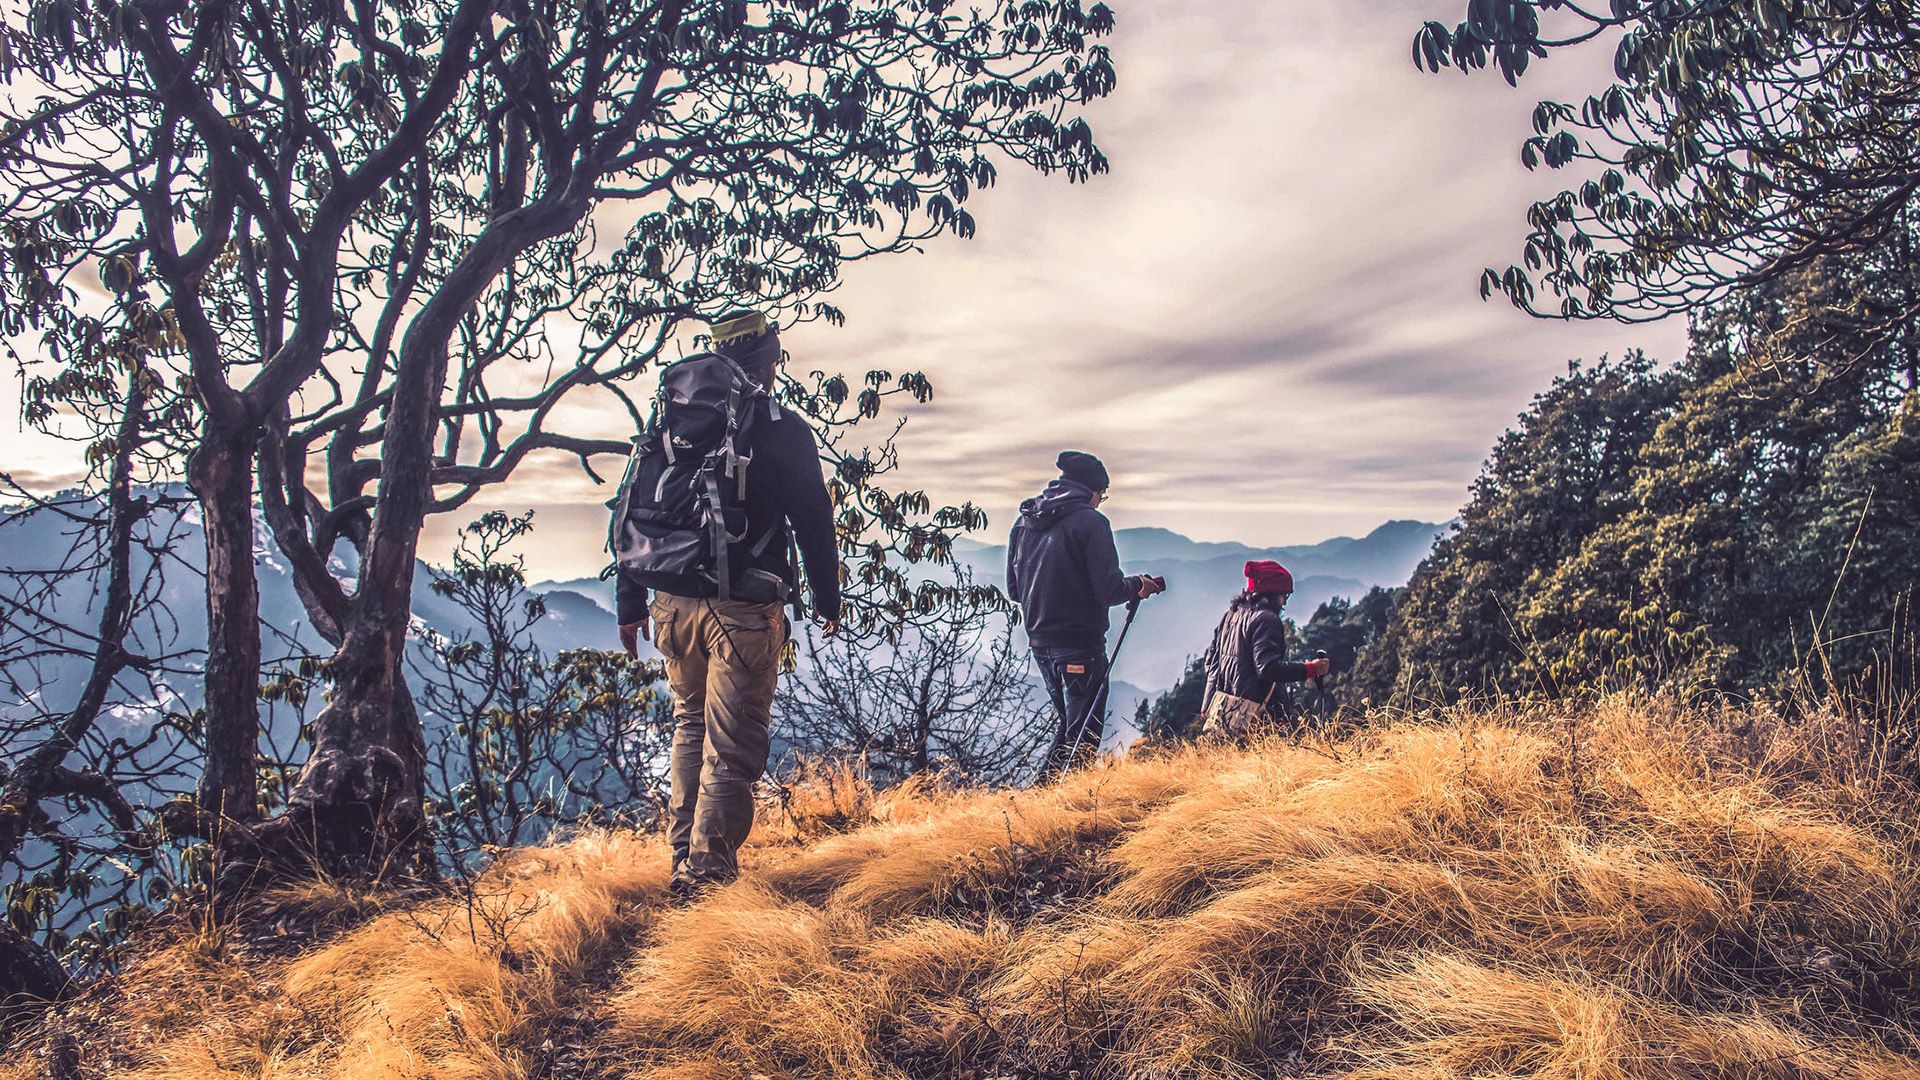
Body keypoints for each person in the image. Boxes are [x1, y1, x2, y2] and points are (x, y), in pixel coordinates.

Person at [617, 310, 841, 902]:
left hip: (671, 602)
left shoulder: (670, 423)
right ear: (766, 361)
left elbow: (631, 510)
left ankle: (683, 859)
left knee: (690, 727)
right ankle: (706, 877)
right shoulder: (777, 427)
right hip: (742, 609)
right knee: (732, 742)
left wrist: (629, 603)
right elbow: (814, 518)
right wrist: (826, 595)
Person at [1006, 450, 1166, 778]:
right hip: (1080, 645)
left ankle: (1041, 801)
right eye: (1102, 495)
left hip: (1040, 643)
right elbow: (1108, 590)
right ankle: (1065, 809)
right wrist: (1139, 585)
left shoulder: (1024, 522)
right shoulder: (1091, 523)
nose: (1100, 502)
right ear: (1092, 490)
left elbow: (1014, 590)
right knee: (1083, 735)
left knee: (1070, 728)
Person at [1194, 560, 1330, 740]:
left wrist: (1209, 703)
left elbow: (1212, 662)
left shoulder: (1231, 615)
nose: (1284, 602)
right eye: (1284, 595)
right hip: (1257, 718)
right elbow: (1268, 668)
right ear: (1272, 594)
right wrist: (1311, 669)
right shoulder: (1266, 619)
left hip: (1224, 714)